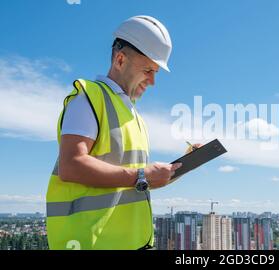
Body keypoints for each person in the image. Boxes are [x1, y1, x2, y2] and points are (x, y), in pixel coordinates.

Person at [46, 15, 197, 250]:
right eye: (148, 70)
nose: (153, 81)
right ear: (120, 60)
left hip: (132, 243)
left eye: (156, 72)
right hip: (92, 244)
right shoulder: (89, 98)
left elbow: (138, 180)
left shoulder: (134, 116)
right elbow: (71, 165)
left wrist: (184, 165)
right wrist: (142, 176)